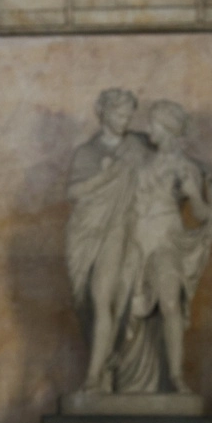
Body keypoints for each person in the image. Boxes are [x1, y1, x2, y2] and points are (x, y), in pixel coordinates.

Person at [113, 100, 212, 393]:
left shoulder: (186, 168)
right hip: (135, 241)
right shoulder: (140, 164)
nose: (149, 130)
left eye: (153, 124)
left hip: (165, 240)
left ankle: (175, 376)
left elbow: (203, 215)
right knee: (125, 308)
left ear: (167, 129)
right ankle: (124, 376)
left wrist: (194, 194)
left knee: (170, 302)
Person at [66, 89, 151, 392]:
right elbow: (73, 193)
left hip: (121, 229)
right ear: (103, 113)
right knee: (89, 300)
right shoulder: (87, 153)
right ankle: (100, 370)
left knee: (103, 298)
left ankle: (94, 375)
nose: (125, 120)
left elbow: (170, 156)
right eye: (119, 114)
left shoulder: (138, 146)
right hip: (88, 233)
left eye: (129, 115)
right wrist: (106, 176)